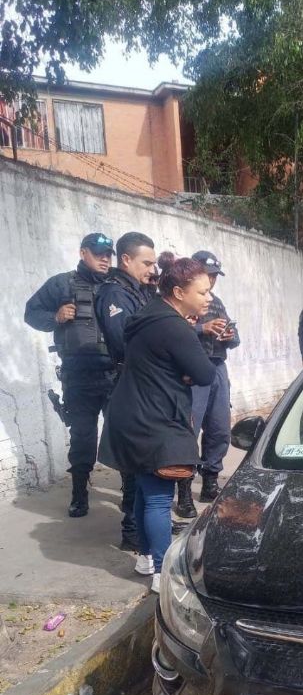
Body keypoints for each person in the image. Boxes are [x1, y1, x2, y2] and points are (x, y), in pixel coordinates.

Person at [100, 253, 216, 592]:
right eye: (202, 292)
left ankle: (146, 557)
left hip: (129, 414)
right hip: (152, 419)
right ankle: (163, 571)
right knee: (158, 497)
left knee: (144, 488)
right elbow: (206, 373)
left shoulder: (147, 316)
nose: (208, 298)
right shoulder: (174, 327)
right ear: (179, 293)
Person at [24, 232, 116, 519]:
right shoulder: (62, 283)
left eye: (108, 253)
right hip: (79, 376)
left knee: (123, 436)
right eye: (98, 252)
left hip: (116, 374)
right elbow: (31, 313)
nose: (104, 258)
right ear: (83, 253)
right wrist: (55, 316)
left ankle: (130, 494)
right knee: (83, 438)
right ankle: (79, 494)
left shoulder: (117, 284)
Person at [95, 232, 157, 551]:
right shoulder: (115, 295)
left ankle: (148, 521)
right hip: (130, 385)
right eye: (147, 263)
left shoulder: (139, 292)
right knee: (134, 464)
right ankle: (132, 530)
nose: (152, 269)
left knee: (148, 460)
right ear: (126, 260)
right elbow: (125, 344)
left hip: (144, 384)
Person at [174, 250, 241, 518]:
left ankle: (210, 481)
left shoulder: (217, 302)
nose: (211, 282)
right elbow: (171, 331)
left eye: (214, 277)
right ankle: (183, 491)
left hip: (216, 367)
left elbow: (234, 340)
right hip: (191, 370)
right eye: (208, 275)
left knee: (219, 427)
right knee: (189, 429)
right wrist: (203, 328)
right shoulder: (180, 301)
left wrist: (229, 334)